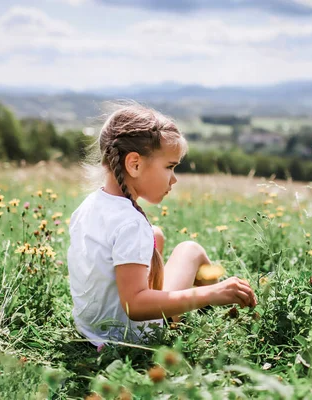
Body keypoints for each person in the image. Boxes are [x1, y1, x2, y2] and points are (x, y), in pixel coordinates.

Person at [67, 102, 257, 347]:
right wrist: (211, 294)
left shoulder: (89, 205)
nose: (174, 179)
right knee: (190, 250)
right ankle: (232, 313)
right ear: (134, 164)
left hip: (91, 328)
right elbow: (133, 305)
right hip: (130, 337)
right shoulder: (130, 224)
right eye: (170, 167)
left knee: (156, 235)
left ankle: (203, 305)